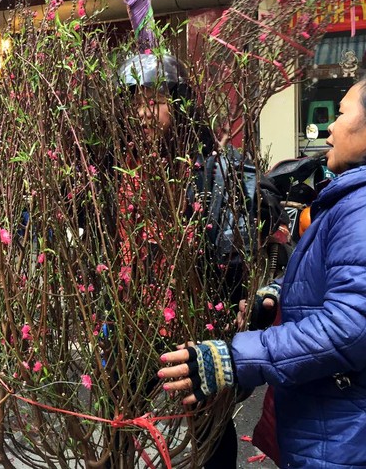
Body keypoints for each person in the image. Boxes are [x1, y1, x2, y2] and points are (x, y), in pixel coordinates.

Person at [158, 66, 366, 467]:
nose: (329, 129)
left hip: (360, 442)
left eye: (342, 114)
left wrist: (235, 359)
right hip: (350, 428)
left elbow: (351, 327)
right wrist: (279, 296)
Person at [118, 52, 283, 468]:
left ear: (180, 102)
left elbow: (254, 244)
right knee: (118, 412)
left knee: (208, 422)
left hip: (196, 314)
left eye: (153, 100)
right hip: (136, 316)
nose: (142, 112)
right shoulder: (123, 167)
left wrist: (244, 302)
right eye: (135, 101)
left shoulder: (212, 169)